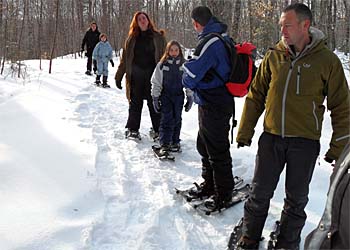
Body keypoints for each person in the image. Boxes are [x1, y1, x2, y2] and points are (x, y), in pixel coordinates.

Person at [234, 3, 350, 249]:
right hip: (271, 139)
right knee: (259, 193)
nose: (283, 30)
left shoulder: (327, 61)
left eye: (287, 24)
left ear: (304, 25)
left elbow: (342, 107)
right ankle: (249, 238)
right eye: (281, 25)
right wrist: (245, 130)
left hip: (304, 143)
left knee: (296, 201)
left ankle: (287, 243)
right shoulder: (274, 55)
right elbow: (256, 95)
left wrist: (338, 148)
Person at [182, 6, 235, 209]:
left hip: (214, 103)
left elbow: (192, 74)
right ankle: (210, 184)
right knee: (204, 144)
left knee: (216, 149)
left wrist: (184, 77)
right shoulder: (220, 36)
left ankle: (223, 192)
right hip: (214, 101)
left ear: (196, 23)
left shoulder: (210, 41)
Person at [115, 11, 166, 140]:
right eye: (139, 19)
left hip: (153, 77)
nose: (142, 20)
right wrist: (119, 76)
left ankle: (159, 130)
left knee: (154, 103)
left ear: (148, 20)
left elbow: (166, 58)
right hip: (136, 77)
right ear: (136, 23)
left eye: (144, 18)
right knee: (135, 103)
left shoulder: (158, 38)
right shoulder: (131, 39)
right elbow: (125, 60)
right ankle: (133, 129)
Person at [151, 40, 193, 152]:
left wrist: (190, 96)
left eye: (176, 50)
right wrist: (155, 97)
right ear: (167, 51)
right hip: (166, 96)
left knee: (177, 119)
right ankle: (165, 143)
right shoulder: (162, 65)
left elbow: (188, 82)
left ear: (179, 51)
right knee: (166, 119)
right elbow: (156, 82)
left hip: (178, 97)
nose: (174, 52)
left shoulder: (184, 65)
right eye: (171, 50)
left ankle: (175, 141)